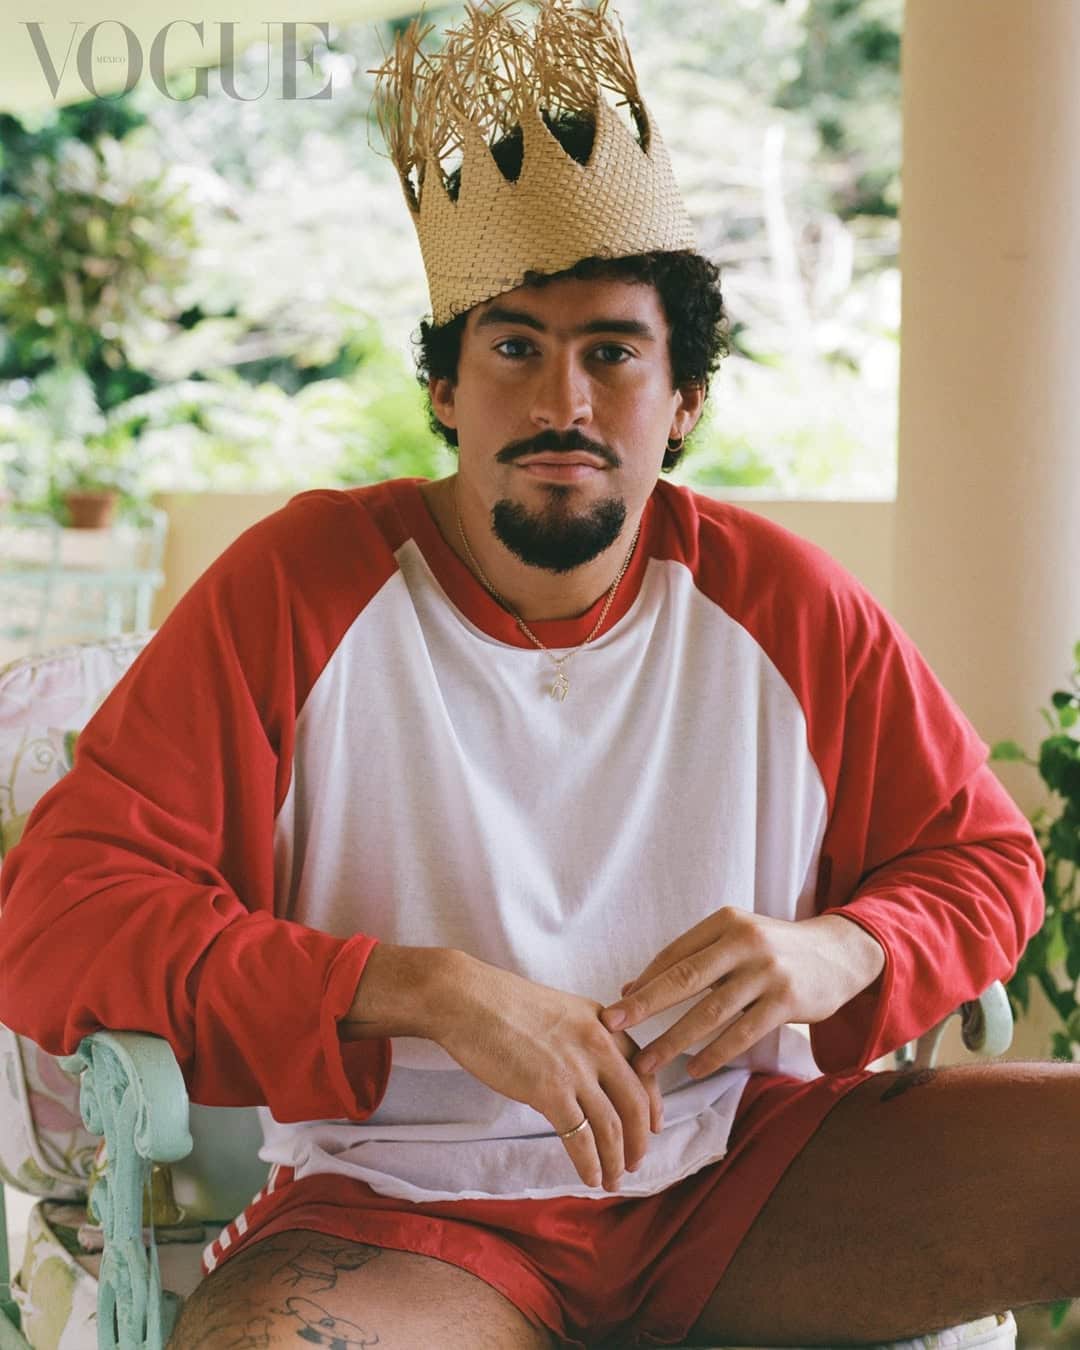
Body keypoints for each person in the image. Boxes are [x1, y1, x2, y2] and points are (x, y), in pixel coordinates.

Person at [0, 2, 1063, 1347]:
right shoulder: (296, 589)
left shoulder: (788, 602)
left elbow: (985, 864)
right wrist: (423, 989)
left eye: (612, 352)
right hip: (402, 1215)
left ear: (683, 400)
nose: (563, 401)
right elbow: (62, 918)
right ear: (446, 389)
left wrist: (837, 945)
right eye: (513, 346)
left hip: (745, 1175)